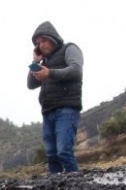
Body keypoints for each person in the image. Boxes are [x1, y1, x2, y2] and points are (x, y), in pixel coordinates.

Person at [27, 21, 83, 174]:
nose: (41, 45)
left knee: (64, 152)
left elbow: (76, 70)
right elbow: (31, 84)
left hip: (66, 109)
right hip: (48, 112)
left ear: (52, 38)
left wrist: (49, 73)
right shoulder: (44, 62)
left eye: (43, 40)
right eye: (38, 43)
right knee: (52, 156)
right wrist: (35, 62)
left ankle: (77, 188)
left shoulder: (69, 49)